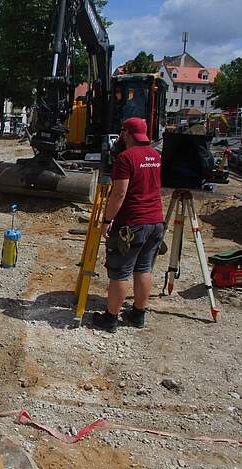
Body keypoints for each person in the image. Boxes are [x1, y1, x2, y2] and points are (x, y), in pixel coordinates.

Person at [93, 117, 165, 333]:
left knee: (120, 271)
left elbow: (119, 193)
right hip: (155, 222)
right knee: (143, 268)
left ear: (126, 133)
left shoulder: (125, 158)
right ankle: (138, 314)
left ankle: (111, 318)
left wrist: (106, 220)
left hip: (132, 223)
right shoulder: (155, 155)